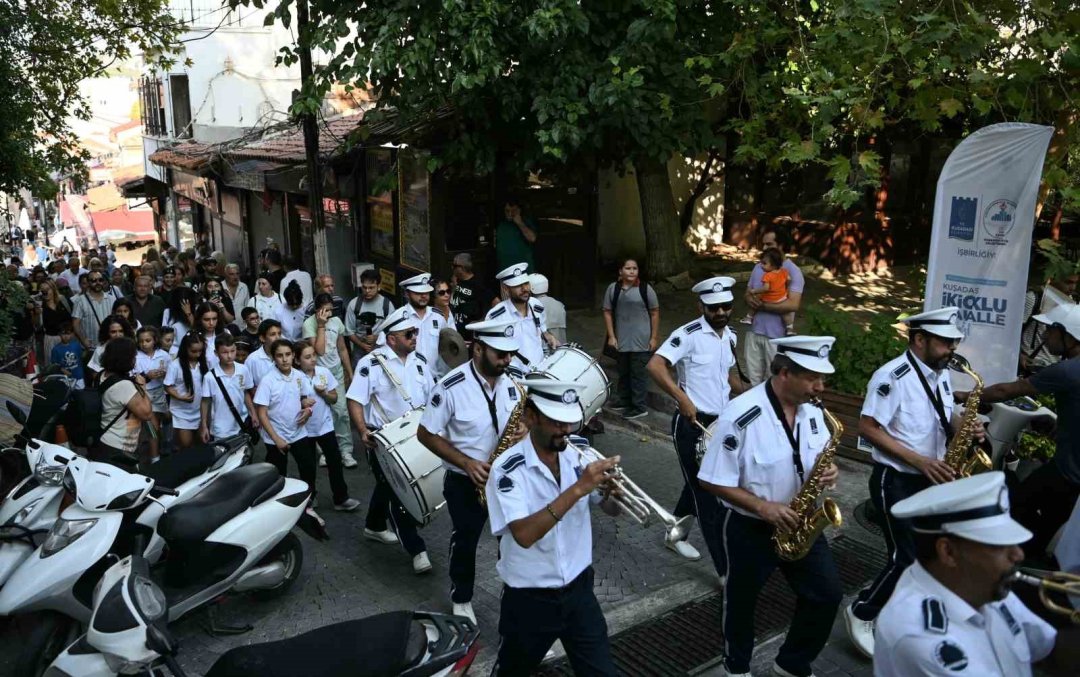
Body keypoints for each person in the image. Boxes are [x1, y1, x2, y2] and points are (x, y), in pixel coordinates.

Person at [698, 335, 843, 677]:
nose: (819, 387)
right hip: (751, 526)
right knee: (742, 603)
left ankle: (791, 663)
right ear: (783, 373)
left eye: (822, 379)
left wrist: (829, 472)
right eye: (812, 378)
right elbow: (710, 479)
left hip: (801, 521)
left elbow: (816, 456)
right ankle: (736, 668)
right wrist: (764, 508)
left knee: (827, 594)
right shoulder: (741, 416)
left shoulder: (814, 412)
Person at [845, 306, 971, 657]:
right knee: (906, 557)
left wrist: (966, 426)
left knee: (930, 555)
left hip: (930, 478)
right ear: (919, 339)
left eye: (953, 342)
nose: (952, 350)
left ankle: (902, 617)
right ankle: (861, 611)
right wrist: (919, 461)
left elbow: (944, 416)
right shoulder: (892, 376)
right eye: (946, 343)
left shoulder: (939, 373)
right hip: (896, 479)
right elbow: (868, 428)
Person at [486, 378, 621, 676]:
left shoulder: (580, 452)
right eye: (556, 422)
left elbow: (610, 509)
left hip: (579, 591)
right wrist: (578, 489)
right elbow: (524, 534)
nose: (566, 431)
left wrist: (614, 494)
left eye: (570, 422)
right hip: (529, 599)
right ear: (531, 416)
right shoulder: (507, 469)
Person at [874, 472, 1059, 677]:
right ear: (948, 552)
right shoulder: (921, 638)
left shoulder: (982, 584)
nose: (1018, 554)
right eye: (999, 546)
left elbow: (1047, 647)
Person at [416, 317, 526, 623]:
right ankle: (461, 597)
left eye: (510, 354)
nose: (508, 360)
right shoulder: (450, 387)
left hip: (506, 477)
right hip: (466, 480)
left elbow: (524, 420)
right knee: (466, 540)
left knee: (514, 539)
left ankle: (516, 594)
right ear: (478, 349)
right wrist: (466, 462)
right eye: (500, 354)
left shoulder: (513, 382)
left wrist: (524, 432)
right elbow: (425, 434)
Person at [960, 302, 1080, 560]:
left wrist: (964, 395)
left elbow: (1006, 391)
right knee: (1050, 519)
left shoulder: (1067, 370)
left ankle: (1015, 563)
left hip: (1069, 472)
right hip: (1071, 468)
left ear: (1068, 335)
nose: (1045, 336)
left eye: (1050, 330)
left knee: (1018, 503)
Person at [647, 276, 746, 568]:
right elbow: (655, 365)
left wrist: (752, 392)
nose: (720, 313)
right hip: (692, 424)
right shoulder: (687, 334)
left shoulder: (731, 336)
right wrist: (682, 398)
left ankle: (675, 535)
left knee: (695, 485)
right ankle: (725, 570)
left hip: (722, 423)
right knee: (707, 492)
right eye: (713, 308)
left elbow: (726, 375)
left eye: (725, 306)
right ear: (701, 305)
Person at [347, 307, 434, 574]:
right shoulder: (371, 364)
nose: (414, 337)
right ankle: (417, 549)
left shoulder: (419, 362)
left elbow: (431, 399)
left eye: (415, 332)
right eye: (409, 333)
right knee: (400, 490)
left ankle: (374, 525)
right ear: (392, 338)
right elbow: (355, 399)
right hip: (383, 440)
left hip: (415, 437)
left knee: (386, 486)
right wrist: (362, 431)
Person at [294, 339, 360, 511]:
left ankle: (341, 498)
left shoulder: (324, 372)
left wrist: (323, 393)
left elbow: (334, 398)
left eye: (313, 355)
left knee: (335, 462)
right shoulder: (294, 377)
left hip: (325, 426)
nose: (313, 359)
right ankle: (309, 498)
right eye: (307, 357)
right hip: (304, 430)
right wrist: (301, 402)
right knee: (307, 467)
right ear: (297, 360)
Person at [254, 339, 318, 496]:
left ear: (293, 355)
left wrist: (308, 411)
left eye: (288, 354)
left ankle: (308, 500)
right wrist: (277, 440)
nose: (284, 359)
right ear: (274, 358)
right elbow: (261, 413)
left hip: (298, 432)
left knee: (308, 468)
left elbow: (304, 398)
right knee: (278, 475)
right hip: (276, 437)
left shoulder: (299, 376)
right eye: (280, 355)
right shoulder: (268, 381)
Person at [743, 228, 805, 385]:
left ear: (782, 246)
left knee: (772, 382)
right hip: (753, 333)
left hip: (777, 337)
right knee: (752, 381)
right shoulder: (759, 267)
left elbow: (793, 304)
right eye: (763, 245)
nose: (764, 249)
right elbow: (747, 293)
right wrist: (750, 300)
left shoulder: (793, 272)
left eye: (769, 244)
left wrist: (762, 305)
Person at [302, 293, 357, 469]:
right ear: (317, 310)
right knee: (321, 413)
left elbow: (342, 348)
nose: (328, 313)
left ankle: (345, 450)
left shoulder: (337, 322)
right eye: (324, 309)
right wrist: (321, 326)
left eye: (330, 309)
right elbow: (320, 350)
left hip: (337, 372)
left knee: (341, 412)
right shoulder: (309, 324)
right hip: (317, 373)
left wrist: (350, 372)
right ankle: (324, 451)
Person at [603, 258, 659, 420]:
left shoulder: (645, 289)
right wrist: (612, 336)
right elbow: (607, 311)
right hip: (621, 339)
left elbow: (655, 312)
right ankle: (624, 400)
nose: (632, 271)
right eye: (628, 268)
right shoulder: (613, 289)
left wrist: (654, 337)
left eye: (635, 268)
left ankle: (639, 406)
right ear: (620, 271)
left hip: (641, 339)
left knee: (638, 373)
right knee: (624, 372)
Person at [486, 263, 557, 374]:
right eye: (518, 285)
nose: (525, 289)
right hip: (513, 377)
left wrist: (548, 335)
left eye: (526, 283)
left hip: (539, 372)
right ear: (505, 289)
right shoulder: (496, 316)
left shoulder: (537, 306)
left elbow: (542, 329)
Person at [94, 337, 152, 467]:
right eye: (133, 356)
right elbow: (147, 414)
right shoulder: (123, 385)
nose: (135, 360)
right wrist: (143, 388)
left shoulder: (101, 375)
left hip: (105, 440)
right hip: (118, 448)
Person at [1020, 268, 1078, 374]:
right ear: (1052, 278)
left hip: (1056, 367)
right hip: (1030, 365)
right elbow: (1014, 330)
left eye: (1075, 283)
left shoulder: (1072, 305)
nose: (1072, 287)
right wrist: (1019, 355)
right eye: (1068, 282)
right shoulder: (1034, 298)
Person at [199, 334, 255, 443]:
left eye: (232, 351)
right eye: (224, 352)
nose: (229, 356)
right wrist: (204, 426)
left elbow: (245, 393)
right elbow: (205, 402)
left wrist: (253, 413)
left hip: (242, 423)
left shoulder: (243, 370)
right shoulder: (209, 377)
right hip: (220, 429)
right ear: (216, 353)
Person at [164, 333, 208, 449]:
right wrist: (179, 397)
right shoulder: (175, 365)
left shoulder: (203, 363)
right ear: (185, 349)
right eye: (194, 351)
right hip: (182, 413)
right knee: (186, 445)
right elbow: (167, 386)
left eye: (200, 351)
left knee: (201, 444)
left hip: (200, 411)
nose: (197, 354)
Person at [394, 272, 445, 366]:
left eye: (426, 292)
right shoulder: (398, 318)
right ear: (406, 294)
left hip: (435, 377)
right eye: (418, 293)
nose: (424, 296)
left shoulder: (438, 317)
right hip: (409, 376)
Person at [345, 268, 395, 364]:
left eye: (371, 287)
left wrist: (377, 337)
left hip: (381, 349)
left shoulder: (387, 305)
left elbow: (392, 330)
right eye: (364, 287)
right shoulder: (354, 304)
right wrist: (362, 345)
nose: (367, 291)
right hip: (359, 350)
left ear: (378, 286)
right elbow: (349, 331)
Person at [135, 326, 170, 462]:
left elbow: (172, 374)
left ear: (155, 340)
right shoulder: (136, 357)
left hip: (162, 393)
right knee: (153, 428)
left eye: (148, 340)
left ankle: (165, 446)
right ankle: (155, 458)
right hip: (145, 395)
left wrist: (165, 374)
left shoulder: (164, 355)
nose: (144, 344)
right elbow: (133, 377)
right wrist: (147, 376)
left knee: (166, 419)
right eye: (141, 341)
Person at [743, 248, 795, 335]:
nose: (761, 265)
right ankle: (790, 328)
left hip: (769, 298)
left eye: (764, 263)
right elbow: (789, 279)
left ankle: (749, 317)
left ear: (773, 265)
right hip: (781, 298)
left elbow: (765, 289)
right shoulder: (784, 272)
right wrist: (786, 287)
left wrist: (754, 291)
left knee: (755, 302)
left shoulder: (767, 275)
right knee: (785, 314)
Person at [449, 252, 497, 340]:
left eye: (454, 266)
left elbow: (496, 303)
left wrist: (483, 321)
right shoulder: (454, 280)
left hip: (470, 335)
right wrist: (453, 289)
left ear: (462, 268)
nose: (452, 268)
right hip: (454, 331)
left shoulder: (478, 284)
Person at [71, 270, 116, 350]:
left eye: (100, 280)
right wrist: (83, 340)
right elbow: (75, 324)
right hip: (91, 348)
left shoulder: (112, 299)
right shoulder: (80, 301)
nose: (97, 283)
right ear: (88, 283)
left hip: (109, 346)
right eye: (93, 280)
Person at [495, 198, 538, 274]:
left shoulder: (526, 222)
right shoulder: (501, 225)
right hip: (506, 270)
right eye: (507, 211)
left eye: (513, 211)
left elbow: (532, 238)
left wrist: (520, 223)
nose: (510, 214)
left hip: (523, 270)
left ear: (519, 210)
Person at [428, 276, 458, 378]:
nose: (446, 295)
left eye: (448, 291)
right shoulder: (429, 316)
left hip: (451, 366)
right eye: (441, 293)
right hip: (435, 371)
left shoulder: (452, 310)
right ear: (433, 296)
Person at [39, 279, 72, 366]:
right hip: (51, 340)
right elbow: (38, 326)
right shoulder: (40, 306)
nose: (45, 292)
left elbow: (73, 317)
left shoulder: (63, 301)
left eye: (47, 289)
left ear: (53, 289)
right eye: (43, 291)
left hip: (68, 338)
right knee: (54, 366)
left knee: (70, 364)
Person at [528, 273, 566, 346]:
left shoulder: (531, 306)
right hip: (561, 349)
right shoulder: (559, 304)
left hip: (544, 351)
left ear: (531, 289)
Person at [246, 319, 284, 388]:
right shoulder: (252, 360)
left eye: (279, 334)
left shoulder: (286, 355)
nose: (278, 338)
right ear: (262, 338)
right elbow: (248, 388)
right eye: (273, 334)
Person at [50, 321, 85, 387]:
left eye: (68, 334)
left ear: (72, 334)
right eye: (63, 334)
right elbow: (55, 365)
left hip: (79, 377)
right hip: (64, 379)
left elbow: (80, 358)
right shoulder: (56, 349)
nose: (66, 336)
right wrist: (63, 370)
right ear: (59, 334)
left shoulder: (76, 345)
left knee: (80, 395)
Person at [193, 302, 225, 369]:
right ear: (199, 320)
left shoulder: (225, 333)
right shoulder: (193, 337)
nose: (211, 323)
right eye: (206, 319)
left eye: (214, 319)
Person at [222, 264, 250, 328]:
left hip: (242, 326)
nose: (235, 277)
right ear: (226, 275)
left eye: (237, 274)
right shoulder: (220, 287)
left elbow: (247, 307)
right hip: (226, 327)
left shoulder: (244, 287)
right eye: (231, 274)